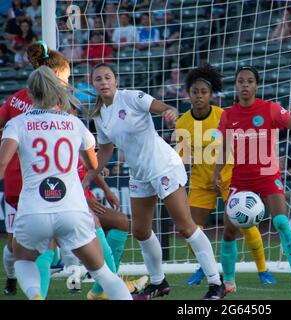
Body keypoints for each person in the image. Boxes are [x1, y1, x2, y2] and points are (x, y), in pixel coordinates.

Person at [0, 41, 136, 299]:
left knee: (23, 261)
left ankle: (36, 296)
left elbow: (2, 164)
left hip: (34, 210)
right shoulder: (73, 123)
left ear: (31, 91)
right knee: (104, 274)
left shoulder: (17, 124)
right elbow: (92, 164)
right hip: (71, 209)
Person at [84, 63, 226, 300]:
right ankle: (158, 283)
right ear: (93, 84)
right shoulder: (99, 115)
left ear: (116, 80)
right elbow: (105, 152)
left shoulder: (131, 97)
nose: (104, 82)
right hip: (139, 173)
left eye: (108, 77)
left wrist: (168, 111)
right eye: (98, 79)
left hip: (163, 166)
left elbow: (162, 107)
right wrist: (89, 177)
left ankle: (216, 283)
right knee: (140, 230)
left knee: (185, 226)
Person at [214, 66, 291, 293]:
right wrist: (217, 172)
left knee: (282, 223)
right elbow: (225, 147)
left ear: (256, 85)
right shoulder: (228, 115)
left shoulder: (270, 109)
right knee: (228, 230)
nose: (245, 85)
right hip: (240, 179)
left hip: (267, 175)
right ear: (235, 86)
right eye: (240, 81)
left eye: (249, 81)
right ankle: (228, 281)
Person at [175, 64, 276, 286]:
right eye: (195, 92)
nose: (199, 96)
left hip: (229, 178)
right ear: (189, 94)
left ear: (211, 95)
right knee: (191, 231)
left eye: (204, 92)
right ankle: (206, 268)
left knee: (247, 225)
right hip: (201, 182)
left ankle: (263, 269)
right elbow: (183, 161)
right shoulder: (182, 123)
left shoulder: (224, 115)